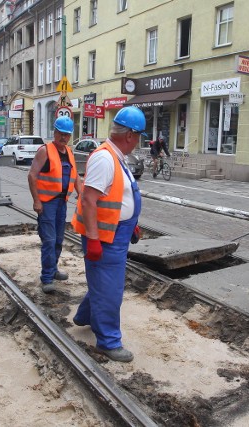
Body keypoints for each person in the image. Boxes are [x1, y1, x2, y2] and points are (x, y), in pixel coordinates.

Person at [70, 106, 145, 363]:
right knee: (110, 291)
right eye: (139, 137)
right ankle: (108, 342)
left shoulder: (117, 157)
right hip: (103, 237)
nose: (138, 142)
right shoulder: (104, 159)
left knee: (104, 285)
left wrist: (131, 221)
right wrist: (92, 239)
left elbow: (116, 197)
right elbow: (89, 200)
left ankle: (85, 316)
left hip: (116, 233)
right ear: (130, 136)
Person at [28, 116, 83, 293]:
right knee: (49, 240)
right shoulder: (45, 151)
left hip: (61, 203)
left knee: (59, 240)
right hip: (47, 204)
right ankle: (46, 278)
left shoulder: (69, 152)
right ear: (55, 132)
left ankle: (53, 269)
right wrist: (36, 200)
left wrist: (82, 195)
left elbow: (76, 178)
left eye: (67, 135)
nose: (64, 138)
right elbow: (32, 176)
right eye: (61, 134)